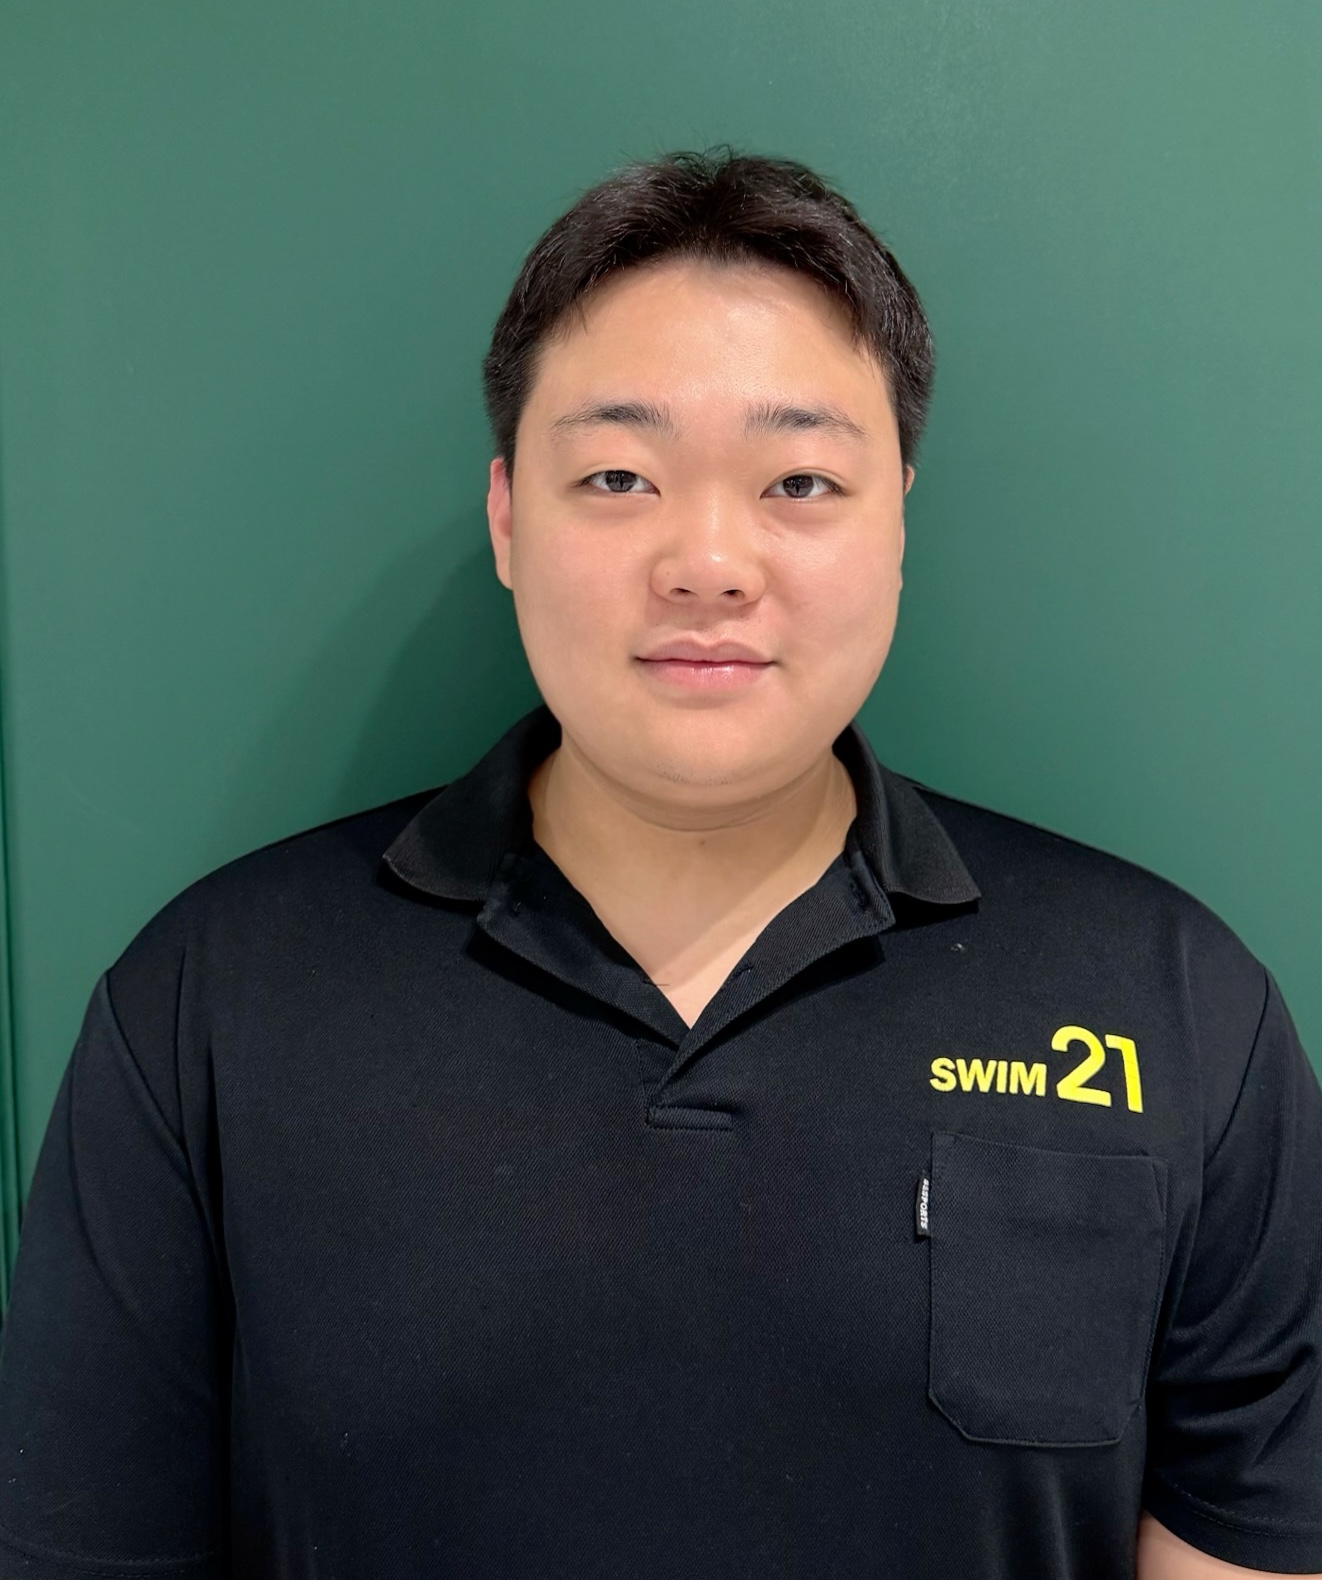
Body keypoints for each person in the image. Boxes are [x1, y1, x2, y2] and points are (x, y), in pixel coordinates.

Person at [0, 148, 1317, 1580]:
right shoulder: (211, 1001)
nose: (707, 562)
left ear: (896, 522)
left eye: (799, 480)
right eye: (618, 475)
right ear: (509, 519)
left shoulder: (1173, 1002)